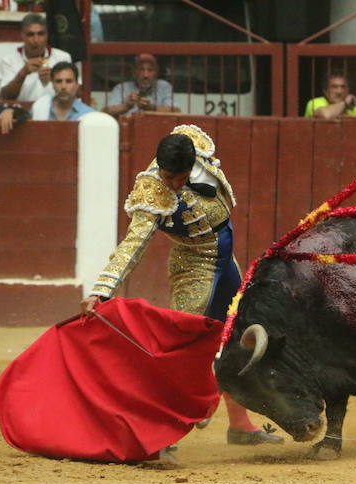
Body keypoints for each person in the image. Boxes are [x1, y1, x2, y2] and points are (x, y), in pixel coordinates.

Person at [81, 124, 284, 447]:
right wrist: (102, 290)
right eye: (168, 177)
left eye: (179, 178)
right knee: (184, 349)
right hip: (193, 266)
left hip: (224, 260)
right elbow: (132, 244)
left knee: (234, 334)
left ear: (190, 168)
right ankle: (164, 436)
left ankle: (239, 425)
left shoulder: (196, 149)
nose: (173, 185)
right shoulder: (152, 192)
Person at [0, 13, 73, 102]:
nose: (36, 40)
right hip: (21, 112)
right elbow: (4, 97)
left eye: (41, 34)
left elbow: (77, 93)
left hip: (54, 112)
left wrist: (55, 80)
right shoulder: (9, 61)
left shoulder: (63, 58)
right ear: (22, 36)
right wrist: (23, 73)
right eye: (30, 34)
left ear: (47, 35)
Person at [103, 53, 179, 117]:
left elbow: (176, 111)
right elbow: (104, 112)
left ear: (156, 72)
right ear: (134, 72)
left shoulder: (164, 87)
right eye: (141, 70)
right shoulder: (122, 88)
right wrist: (126, 106)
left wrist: (151, 107)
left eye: (150, 70)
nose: (146, 75)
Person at [31, 62, 95, 121]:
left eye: (69, 81)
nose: (63, 87)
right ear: (53, 84)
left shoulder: (88, 114)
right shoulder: (40, 107)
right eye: (58, 81)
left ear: (76, 85)